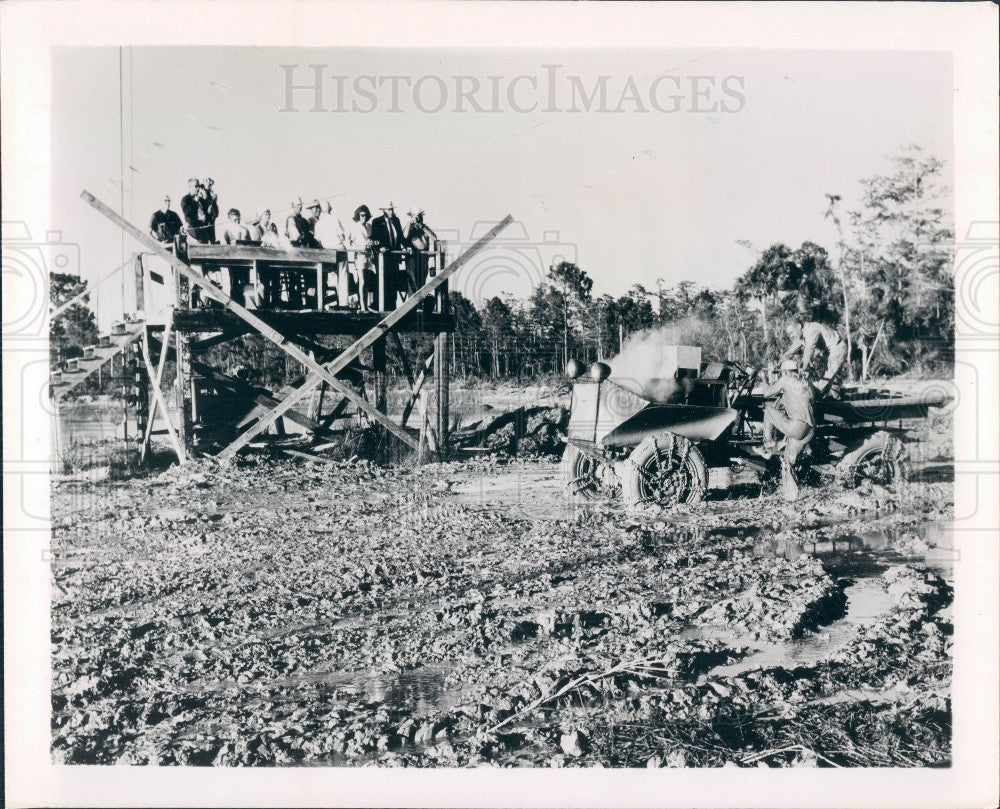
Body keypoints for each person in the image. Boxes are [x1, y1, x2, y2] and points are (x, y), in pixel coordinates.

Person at [757, 359, 815, 500]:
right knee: (789, 461)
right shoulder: (806, 382)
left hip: (796, 427)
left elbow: (767, 394)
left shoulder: (785, 380)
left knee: (769, 411)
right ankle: (793, 493)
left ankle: (768, 446)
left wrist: (764, 379)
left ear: (785, 372)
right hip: (810, 429)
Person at [781, 318, 847, 395]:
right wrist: (778, 364)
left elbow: (809, 350)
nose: (791, 336)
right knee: (828, 378)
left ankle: (816, 397)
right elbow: (790, 350)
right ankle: (834, 397)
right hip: (828, 352)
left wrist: (803, 368)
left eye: (792, 332)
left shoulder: (812, 329)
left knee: (827, 376)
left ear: (799, 326)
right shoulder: (802, 333)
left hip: (838, 348)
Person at [369, 201, 406, 308]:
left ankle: (391, 307)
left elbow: (401, 237)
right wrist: (380, 246)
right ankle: (379, 305)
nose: (391, 212)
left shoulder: (396, 220)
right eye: (389, 209)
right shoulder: (377, 221)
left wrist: (407, 246)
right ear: (384, 211)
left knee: (393, 282)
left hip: (394, 257)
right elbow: (375, 238)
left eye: (392, 209)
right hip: (383, 258)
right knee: (382, 280)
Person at [344, 204, 374, 311]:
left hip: (369, 257)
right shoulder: (354, 227)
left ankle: (367, 304)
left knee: (368, 280)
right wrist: (361, 247)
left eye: (366, 215)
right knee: (362, 281)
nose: (364, 217)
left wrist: (372, 243)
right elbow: (349, 242)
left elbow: (371, 239)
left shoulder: (370, 227)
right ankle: (362, 306)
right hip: (360, 257)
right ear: (358, 215)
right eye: (362, 215)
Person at [404, 207, 438, 295]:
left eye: (419, 216)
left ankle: (420, 304)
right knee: (413, 281)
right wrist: (410, 223)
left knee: (422, 281)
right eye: (416, 216)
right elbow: (404, 236)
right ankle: (413, 305)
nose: (418, 218)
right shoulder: (409, 228)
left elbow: (434, 238)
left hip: (423, 258)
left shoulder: (424, 228)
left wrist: (422, 226)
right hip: (412, 258)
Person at [180, 178, 209, 243]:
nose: (198, 188)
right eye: (196, 186)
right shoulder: (186, 199)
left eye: (199, 186)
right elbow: (186, 213)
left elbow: (208, 213)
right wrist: (194, 202)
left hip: (203, 230)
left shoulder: (201, 200)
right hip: (193, 231)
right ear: (190, 187)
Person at [201, 178, 220, 243]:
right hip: (205, 219)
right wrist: (213, 201)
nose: (211, 186)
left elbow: (215, 212)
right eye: (209, 184)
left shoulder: (211, 193)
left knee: (212, 239)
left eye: (211, 185)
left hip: (211, 219)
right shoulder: (202, 192)